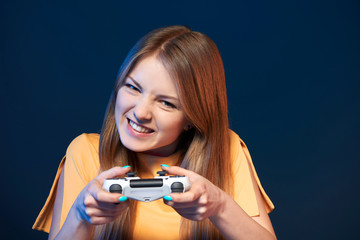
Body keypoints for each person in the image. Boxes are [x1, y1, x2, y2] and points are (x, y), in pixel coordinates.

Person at [33, 25, 276, 239]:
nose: (141, 113)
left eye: (167, 103)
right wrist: (80, 215)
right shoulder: (85, 152)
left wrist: (220, 206)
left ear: (192, 117)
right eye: (132, 87)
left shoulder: (228, 150)